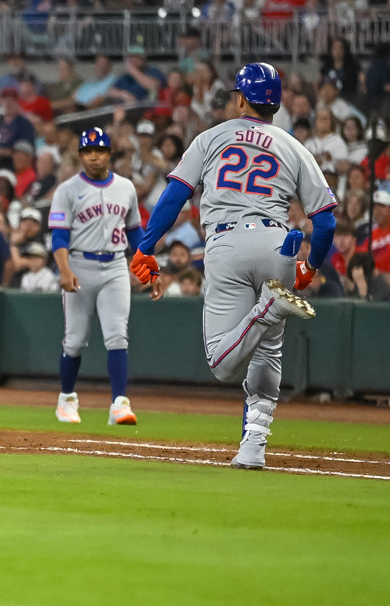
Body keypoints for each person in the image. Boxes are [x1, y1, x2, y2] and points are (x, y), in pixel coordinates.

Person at [131, 63, 338, 470]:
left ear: (241, 98)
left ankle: (268, 308)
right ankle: (253, 447)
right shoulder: (293, 146)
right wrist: (310, 267)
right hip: (279, 243)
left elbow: (175, 196)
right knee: (267, 352)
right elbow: (326, 219)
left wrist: (146, 246)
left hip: (226, 241)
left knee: (223, 364)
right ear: (276, 103)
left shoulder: (211, 137)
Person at [49, 127, 142, 426]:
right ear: (80, 155)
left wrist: (150, 271)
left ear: (109, 153)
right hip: (79, 264)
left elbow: (136, 233)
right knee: (74, 340)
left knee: (117, 334)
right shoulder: (66, 190)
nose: (94, 156)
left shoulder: (126, 187)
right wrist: (65, 270)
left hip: (115, 265)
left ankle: (119, 404)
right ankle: (66, 399)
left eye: (99, 150)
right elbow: (59, 237)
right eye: (88, 151)